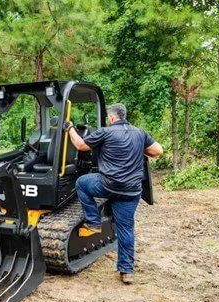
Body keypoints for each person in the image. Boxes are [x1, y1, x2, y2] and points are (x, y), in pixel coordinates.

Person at [63, 103, 163, 284]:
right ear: (124, 115)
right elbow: (157, 151)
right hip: (132, 191)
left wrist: (69, 128)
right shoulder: (139, 133)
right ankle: (126, 271)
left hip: (108, 186)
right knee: (126, 229)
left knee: (81, 183)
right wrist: (138, 149)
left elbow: (80, 145)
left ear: (111, 117)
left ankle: (93, 222)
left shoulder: (105, 132)